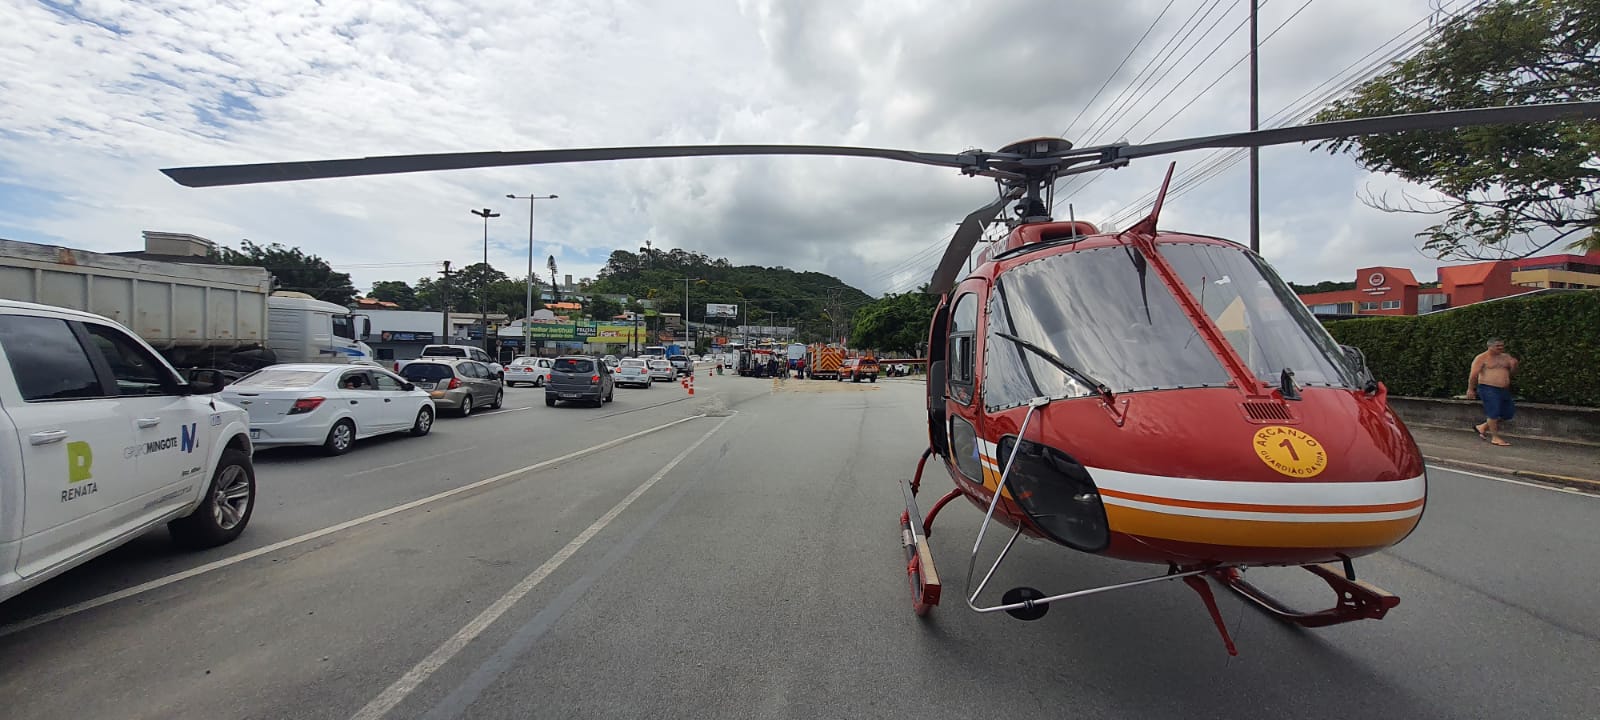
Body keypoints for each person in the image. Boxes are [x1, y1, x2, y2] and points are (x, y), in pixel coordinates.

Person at [1466, 338, 1518, 447]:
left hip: (1503, 389)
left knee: (1508, 413)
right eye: (1498, 346)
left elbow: (1512, 373)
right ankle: (1495, 437)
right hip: (1488, 388)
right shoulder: (1482, 358)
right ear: (1490, 347)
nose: (1501, 348)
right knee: (1493, 412)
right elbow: (1473, 375)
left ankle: (1483, 427)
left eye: (1502, 346)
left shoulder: (1506, 357)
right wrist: (1471, 389)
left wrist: (1514, 365)